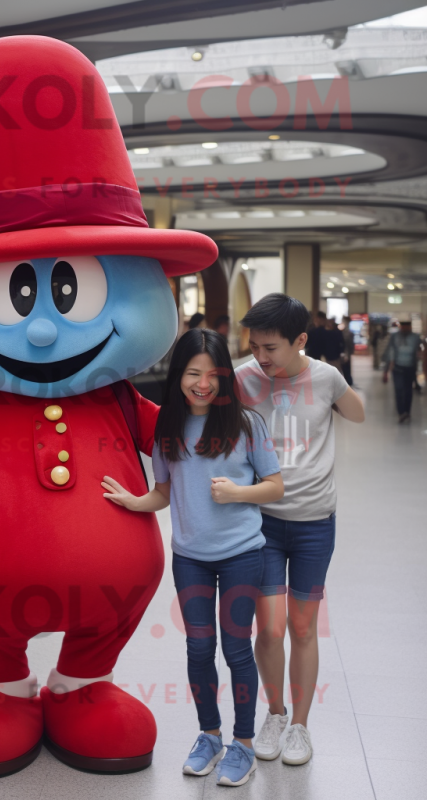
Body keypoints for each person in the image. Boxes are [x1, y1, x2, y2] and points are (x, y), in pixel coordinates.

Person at [102, 328, 283, 787]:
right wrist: (132, 501)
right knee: (199, 648)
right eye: (192, 374)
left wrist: (237, 492)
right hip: (190, 558)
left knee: (236, 648)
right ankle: (210, 735)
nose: (202, 384)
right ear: (177, 375)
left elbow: (275, 486)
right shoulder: (168, 426)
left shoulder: (246, 424)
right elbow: (164, 492)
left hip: (243, 554)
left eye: (212, 375)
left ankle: (243, 744)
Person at [236, 293, 364, 767]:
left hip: (314, 522)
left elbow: (358, 413)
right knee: (268, 628)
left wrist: (341, 392)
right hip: (261, 521)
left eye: (271, 348)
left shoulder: (325, 376)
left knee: (303, 626)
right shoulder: (243, 377)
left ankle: (301, 728)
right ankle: (275, 713)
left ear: (300, 341)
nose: (261, 357)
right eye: (254, 346)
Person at [382, 319, 422, 423]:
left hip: (410, 368)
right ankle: (401, 413)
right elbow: (390, 352)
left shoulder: (415, 337)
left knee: (408, 391)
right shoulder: (394, 337)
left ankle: (407, 412)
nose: (405, 329)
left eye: (407, 327)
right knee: (399, 390)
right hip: (397, 368)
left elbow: (419, 351)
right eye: (403, 327)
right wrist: (385, 371)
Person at [340, 316, 355, 386]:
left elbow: (350, 345)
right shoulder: (344, 332)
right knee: (344, 368)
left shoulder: (348, 333)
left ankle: (348, 383)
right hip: (344, 353)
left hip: (346, 353)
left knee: (346, 369)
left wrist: (348, 354)